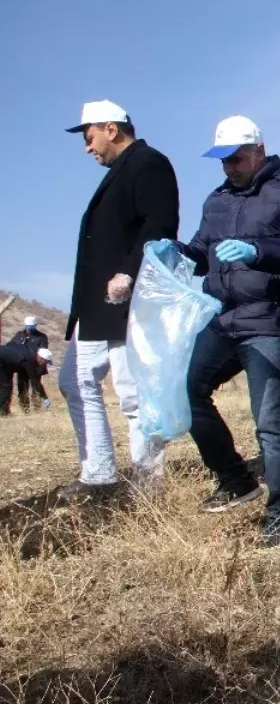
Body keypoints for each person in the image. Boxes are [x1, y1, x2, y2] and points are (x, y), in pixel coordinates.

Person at [179, 115, 280, 547]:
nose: (229, 167)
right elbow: (203, 253)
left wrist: (257, 250)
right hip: (223, 318)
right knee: (187, 391)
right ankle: (236, 479)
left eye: (236, 158)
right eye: (222, 160)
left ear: (258, 149)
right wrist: (177, 255)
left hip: (272, 320)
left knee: (268, 421)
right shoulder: (217, 201)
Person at [59, 100, 179, 499]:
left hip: (128, 300)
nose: (87, 147)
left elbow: (159, 223)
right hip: (95, 304)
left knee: (132, 392)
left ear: (111, 129)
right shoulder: (118, 173)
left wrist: (130, 271)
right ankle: (98, 473)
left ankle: (148, 485)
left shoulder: (149, 163)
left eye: (89, 137)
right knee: (75, 381)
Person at [6, 316, 51, 412]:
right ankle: (25, 409)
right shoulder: (19, 335)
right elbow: (10, 345)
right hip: (22, 366)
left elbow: (43, 352)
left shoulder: (41, 337)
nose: (28, 329)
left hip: (35, 366)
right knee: (22, 387)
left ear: (35, 326)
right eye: (27, 327)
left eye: (30, 327)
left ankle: (37, 409)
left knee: (36, 387)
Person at [0, 346, 52, 416]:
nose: (45, 364)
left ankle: (4, 412)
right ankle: (2, 412)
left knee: (7, 387)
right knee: (5, 388)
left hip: (6, 365)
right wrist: (45, 398)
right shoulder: (30, 360)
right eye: (45, 362)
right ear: (40, 358)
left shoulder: (31, 353)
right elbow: (35, 383)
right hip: (3, 362)